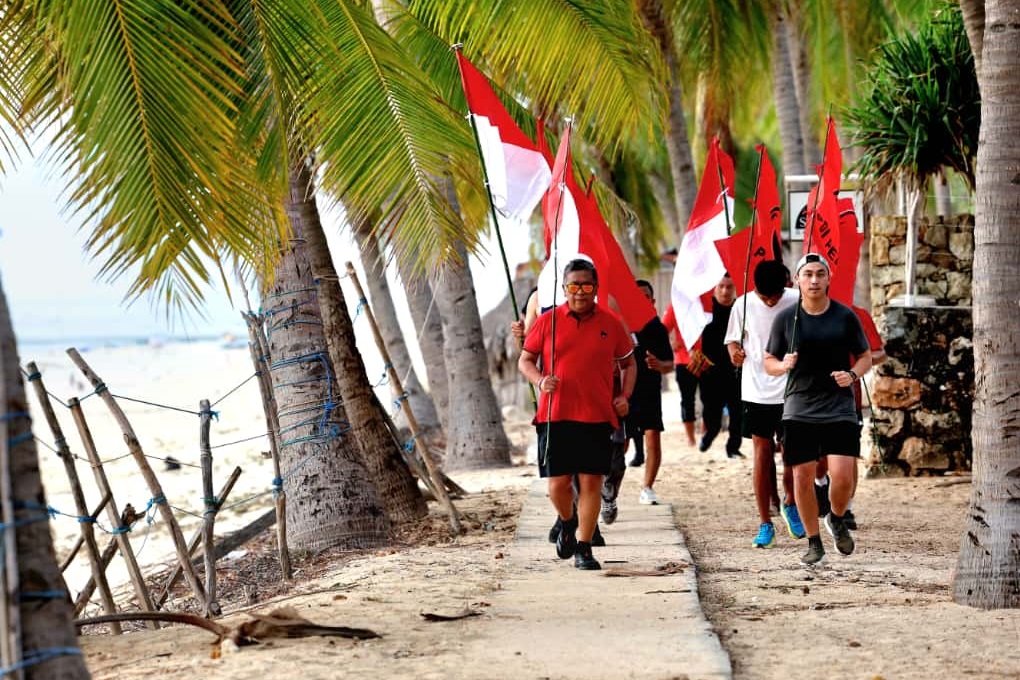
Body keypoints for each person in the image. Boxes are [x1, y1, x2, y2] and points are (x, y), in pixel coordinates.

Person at [518, 259, 636, 571]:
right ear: (564, 288)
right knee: (556, 486)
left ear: (595, 288)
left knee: (591, 484)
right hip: (554, 415)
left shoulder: (610, 322)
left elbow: (629, 363)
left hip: (597, 416)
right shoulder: (548, 322)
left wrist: (624, 396)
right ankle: (567, 521)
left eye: (586, 285)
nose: (580, 292)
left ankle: (584, 548)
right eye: (573, 286)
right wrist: (540, 381)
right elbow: (525, 359)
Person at [764, 253, 872, 565]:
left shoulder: (844, 316)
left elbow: (865, 356)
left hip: (839, 407)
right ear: (796, 280)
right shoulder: (786, 319)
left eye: (820, 274)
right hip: (799, 408)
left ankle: (836, 518)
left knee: (842, 477)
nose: (813, 280)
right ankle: (813, 542)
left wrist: (851, 374)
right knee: (802, 475)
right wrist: (782, 364)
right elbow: (768, 361)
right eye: (807, 274)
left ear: (828, 279)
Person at [725, 260, 804, 548]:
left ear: (785, 284)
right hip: (755, 389)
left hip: (792, 387)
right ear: (754, 287)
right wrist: (735, 354)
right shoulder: (742, 304)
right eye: (764, 296)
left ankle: (791, 503)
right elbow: (732, 341)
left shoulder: (797, 300)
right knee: (762, 451)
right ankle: (764, 522)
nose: (770, 301)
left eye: (774, 296)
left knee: (792, 452)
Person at [601, 280, 674, 516]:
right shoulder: (617, 324)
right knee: (620, 444)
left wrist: (658, 364)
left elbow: (670, 364)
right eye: (636, 296)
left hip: (650, 392)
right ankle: (610, 490)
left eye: (646, 297)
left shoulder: (657, 328)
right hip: (623, 393)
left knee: (653, 437)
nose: (641, 301)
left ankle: (648, 487)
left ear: (652, 302)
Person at [813, 305, 886, 529]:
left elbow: (879, 353)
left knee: (847, 453)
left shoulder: (857, 314)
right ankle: (821, 483)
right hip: (810, 397)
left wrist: (857, 365)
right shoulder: (799, 314)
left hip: (847, 397)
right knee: (817, 453)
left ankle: (847, 509)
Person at [698, 274, 743, 458]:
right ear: (715, 288)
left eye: (729, 287)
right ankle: (711, 433)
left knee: (737, 412)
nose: (725, 291)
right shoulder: (704, 311)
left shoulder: (740, 309)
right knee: (711, 413)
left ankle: (733, 447)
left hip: (735, 371)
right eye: (721, 286)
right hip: (709, 372)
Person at [661, 305, 698, 447]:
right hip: (684, 359)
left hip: (707, 358)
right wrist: (671, 343)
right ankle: (691, 438)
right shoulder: (676, 305)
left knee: (710, 399)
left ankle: (706, 433)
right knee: (688, 400)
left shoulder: (709, 300)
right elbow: (662, 331)